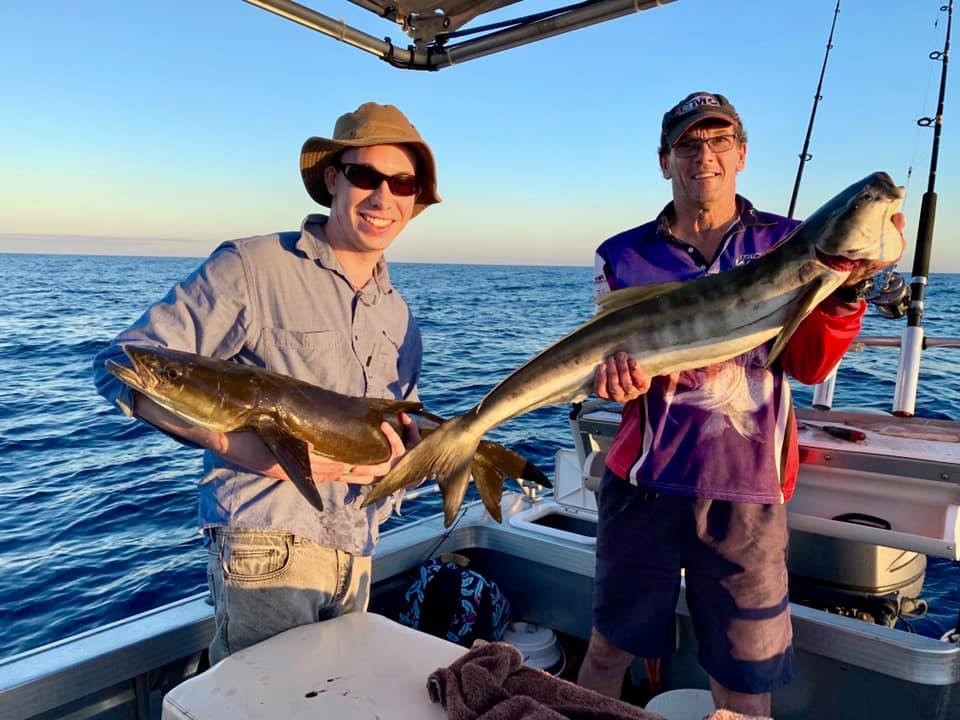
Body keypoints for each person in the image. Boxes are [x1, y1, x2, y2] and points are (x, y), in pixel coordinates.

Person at [576, 92, 904, 716]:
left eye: (721, 141)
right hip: (641, 484)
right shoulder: (620, 254)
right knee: (605, 652)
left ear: (743, 154)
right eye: (688, 144)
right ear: (664, 160)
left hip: (745, 492)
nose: (706, 156)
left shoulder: (789, 241)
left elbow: (809, 365)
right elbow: (607, 363)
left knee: (745, 683)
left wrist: (845, 293)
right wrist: (610, 382)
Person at [93, 102, 441, 664]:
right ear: (333, 178)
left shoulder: (400, 317)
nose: (383, 196)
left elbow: (397, 434)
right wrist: (233, 444)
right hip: (267, 546)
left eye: (402, 183)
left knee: (331, 698)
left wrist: (409, 466)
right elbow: (120, 361)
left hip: (359, 548)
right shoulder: (252, 266)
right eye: (365, 175)